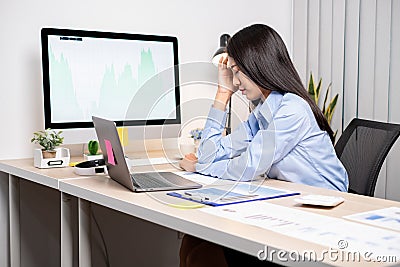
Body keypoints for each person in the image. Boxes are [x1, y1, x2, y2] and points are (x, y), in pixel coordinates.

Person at [179, 24, 348, 267]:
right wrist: (222, 93)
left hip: (323, 210)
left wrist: (198, 168)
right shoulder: (262, 113)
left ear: (258, 66)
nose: (236, 83)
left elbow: (248, 167)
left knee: (203, 255)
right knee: (193, 240)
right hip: (287, 203)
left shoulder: (292, 109)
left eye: (238, 72)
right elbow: (210, 154)